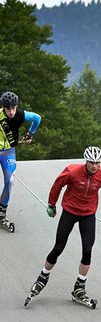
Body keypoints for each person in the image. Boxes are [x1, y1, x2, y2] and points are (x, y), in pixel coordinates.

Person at [26, 146, 101, 307]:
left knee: (87, 250)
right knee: (58, 247)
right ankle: (43, 276)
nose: (94, 166)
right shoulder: (73, 171)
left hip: (88, 214)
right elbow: (57, 185)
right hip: (70, 211)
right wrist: (51, 205)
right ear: (86, 161)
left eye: (97, 163)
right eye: (91, 162)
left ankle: (79, 288)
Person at [0, 91, 41, 224]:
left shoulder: (20, 115)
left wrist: (30, 134)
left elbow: (37, 118)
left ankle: (1, 212)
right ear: (3, 107)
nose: (11, 111)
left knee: (10, 181)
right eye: (8, 108)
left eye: (13, 108)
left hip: (8, 152)